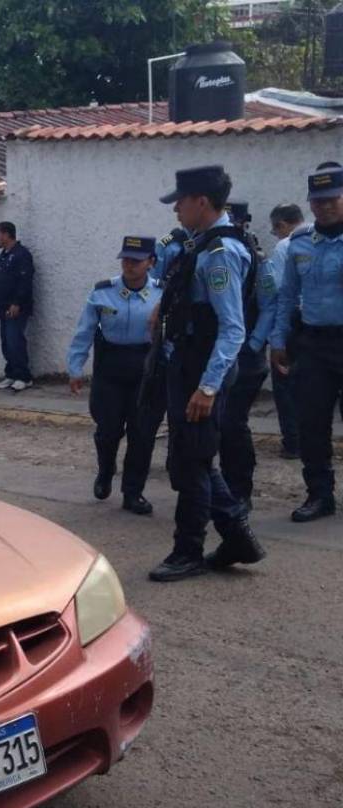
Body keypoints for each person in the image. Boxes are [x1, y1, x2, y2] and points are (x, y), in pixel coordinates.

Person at [148, 165, 264, 582]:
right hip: (190, 364)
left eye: (180, 200)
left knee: (192, 462)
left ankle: (188, 551)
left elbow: (233, 328)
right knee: (191, 456)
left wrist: (208, 386)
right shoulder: (202, 245)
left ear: (201, 201)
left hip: (204, 371)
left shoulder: (221, 254)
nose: (175, 208)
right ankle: (237, 537)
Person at [67, 236, 165, 516]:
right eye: (126, 259)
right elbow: (84, 331)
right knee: (108, 431)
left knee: (142, 435)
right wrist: (75, 368)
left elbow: (170, 337)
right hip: (110, 370)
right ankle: (106, 470)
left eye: (136, 260)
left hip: (146, 371)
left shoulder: (163, 294)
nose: (129, 265)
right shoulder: (102, 292)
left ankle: (133, 493)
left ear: (151, 263)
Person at [270, 164, 343, 522]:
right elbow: (287, 295)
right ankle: (319, 495)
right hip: (313, 343)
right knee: (312, 423)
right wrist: (278, 338)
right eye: (318, 201)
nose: (324, 207)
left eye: (331, 200)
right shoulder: (299, 242)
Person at [218, 201, 280, 510]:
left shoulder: (258, 260)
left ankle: (240, 490)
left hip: (246, 358)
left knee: (232, 421)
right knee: (218, 423)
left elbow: (270, 306)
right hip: (219, 354)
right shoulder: (212, 252)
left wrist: (254, 344)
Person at [268, 202, 307, 459]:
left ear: (282, 225)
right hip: (321, 322)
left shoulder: (285, 246)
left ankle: (293, 443)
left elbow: (280, 292)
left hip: (294, 320)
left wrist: (276, 336)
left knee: (285, 383)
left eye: (275, 229)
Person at [0, 221, 35, 391]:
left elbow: (25, 281)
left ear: (6, 235)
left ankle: (23, 376)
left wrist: (17, 303)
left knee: (15, 340)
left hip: (16, 307)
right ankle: (11, 373)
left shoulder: (21, 254)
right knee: (6, 341)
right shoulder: (3, 255)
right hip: (3, 307)